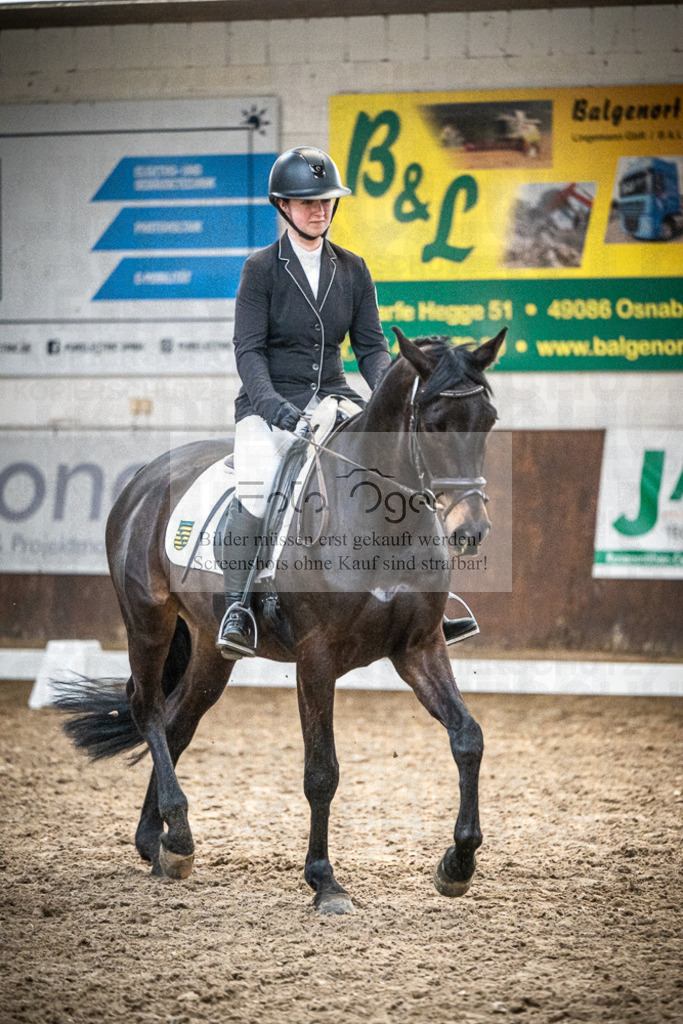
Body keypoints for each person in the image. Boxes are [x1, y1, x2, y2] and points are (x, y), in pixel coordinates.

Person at [216, 146, 478, 658]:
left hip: (334, 399)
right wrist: (271, 406)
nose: (319, 210)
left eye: (326, 202)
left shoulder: (353, 270)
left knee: (395, 472)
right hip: (268, 408)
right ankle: (238, 607)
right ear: (283, 206)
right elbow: (247, 351)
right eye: (306, 202)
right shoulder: (261, 270)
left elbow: (372, 349)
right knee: (256, 485)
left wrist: (396, 393)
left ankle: (427, 603)